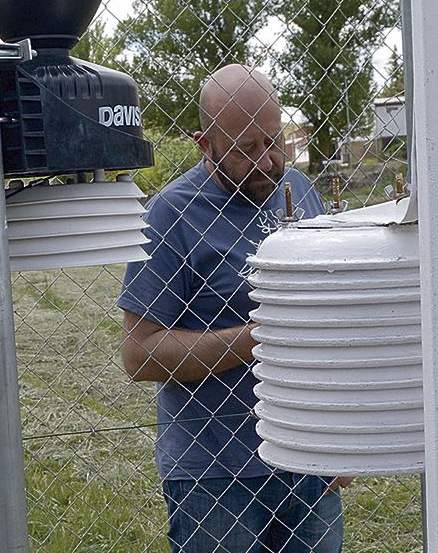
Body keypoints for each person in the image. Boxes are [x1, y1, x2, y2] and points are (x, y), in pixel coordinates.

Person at [118, 64, 348, 552]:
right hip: (216, 474)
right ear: (206, 144)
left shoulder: (300, 191)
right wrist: (259, 336)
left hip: (306, 458)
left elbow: (331, 320)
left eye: (275, 141)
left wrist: (337, 438)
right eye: (246, 149)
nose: (267, 161)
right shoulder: (171, 214)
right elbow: (139, 354)